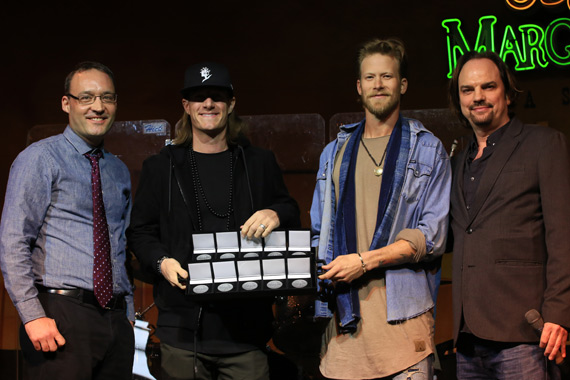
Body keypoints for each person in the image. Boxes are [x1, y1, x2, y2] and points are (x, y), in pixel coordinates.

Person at [126, 61, 300, 380]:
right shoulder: (160, 167)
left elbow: (290, 210)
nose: (208, 103)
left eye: (217, 96)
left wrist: (275, 213)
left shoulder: (259, 162)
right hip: (181, 333)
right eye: (199, 96)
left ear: (231, 104)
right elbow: (140, 232)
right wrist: (161, 262)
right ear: (187, 106)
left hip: (246, 336)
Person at [310, 38, 451, 380]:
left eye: (387, 77)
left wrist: (364, 262)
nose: (378, 85)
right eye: (370, 78)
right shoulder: (334, 153)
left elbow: (432, 237)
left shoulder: (428, 150)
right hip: (343, 337)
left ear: (402, 85)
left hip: (403, 334)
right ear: (359, 87)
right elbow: (318, 233)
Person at [0, 61, 134, 379]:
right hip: (59, 315)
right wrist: (32, 315)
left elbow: (120, 247)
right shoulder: (39, 158)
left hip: (115, 321)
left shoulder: (119, 170)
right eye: (86, 97)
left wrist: (126, 315)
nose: (98, 107)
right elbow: (13, 241)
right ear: (67, 103)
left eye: (107, 98)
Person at [448, 50, 570, 379]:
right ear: (458, 98)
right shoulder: (457, 160)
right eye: (467, 90)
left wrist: (558, 314)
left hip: (525, 335)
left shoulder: (544, 144)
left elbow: (564, 236)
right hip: (468, 337)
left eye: (488, 86)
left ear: (507, 90)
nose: (478, 97)